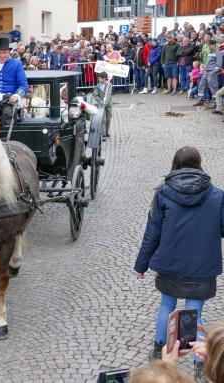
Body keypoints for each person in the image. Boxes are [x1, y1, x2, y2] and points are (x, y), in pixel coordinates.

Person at [134, 146, 224, 366]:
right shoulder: (217, 195)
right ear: (199, 165)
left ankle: (159, 351)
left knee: (167, 306)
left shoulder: (163, 193)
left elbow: (152, 231)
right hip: (202, 267)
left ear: (175, 166)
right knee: (195, 312)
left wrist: (141, 264)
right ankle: (200, 363)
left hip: (169, 264)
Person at [194, 40, 222, 106]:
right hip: (206, 72)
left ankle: (215, 102)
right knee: (201, 85)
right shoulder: (210, 53)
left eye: (210, 45)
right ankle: (200, 100)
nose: (209, 46)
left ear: (214, 45)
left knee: (213, 87)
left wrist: (213, 72)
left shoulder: (217, 53)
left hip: (212, 73)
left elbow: (219, 65)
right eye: (208, 45)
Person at [93, 72, 112, 140]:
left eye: (99, 78)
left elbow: (108, 95)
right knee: (103, 119)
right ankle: (103, 133)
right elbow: (95, 95)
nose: (98, 79)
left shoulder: (109, 85)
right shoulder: (97, 86)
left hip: (108, 105)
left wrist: (105, 102)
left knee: (108, 119)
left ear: (103, 78)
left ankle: (107, 132)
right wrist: (100, 102)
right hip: (101, 105)